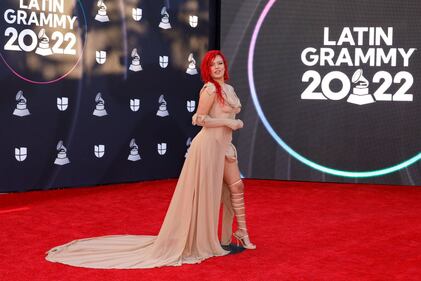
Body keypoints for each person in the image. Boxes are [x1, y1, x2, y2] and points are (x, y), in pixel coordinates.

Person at [45, 50, 255, 269]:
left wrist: (229, 123)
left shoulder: (228, 89)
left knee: (236, 187)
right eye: (213, 65)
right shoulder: (210, 89)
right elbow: (199, 119)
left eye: (220, 63)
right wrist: (229, 124)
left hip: (225, 147)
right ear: (208, 70)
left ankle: (240, 233)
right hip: (208, 147)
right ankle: (211, 238)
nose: (218, 67)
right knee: (213, 193)